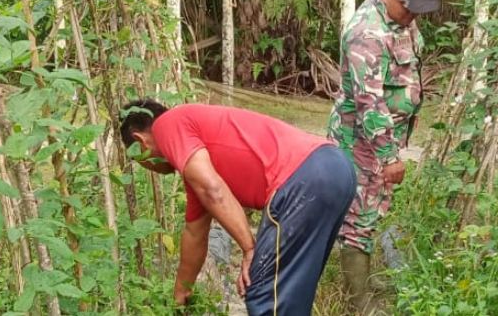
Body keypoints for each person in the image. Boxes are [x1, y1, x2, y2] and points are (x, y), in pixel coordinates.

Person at [120, 100, 356, 316]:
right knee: (290, 295)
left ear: (140, 141)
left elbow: (213, 190)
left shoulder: (167, 126)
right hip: (337, 169)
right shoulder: (195, 165)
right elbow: (195, 233)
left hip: (303, 178)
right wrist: (179, 297)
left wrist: (249, 249)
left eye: (138, 159)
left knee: (263, 293)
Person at [328, 0, 439, 313]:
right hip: (361, 140)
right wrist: (389, 156)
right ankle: (357, 303)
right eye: (408, 6)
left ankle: (363, 278)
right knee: (359, 217)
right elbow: (369, 102)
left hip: (382, 137)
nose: (414, 15)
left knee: (373, 211)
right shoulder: (366, 33)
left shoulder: (401, 18)